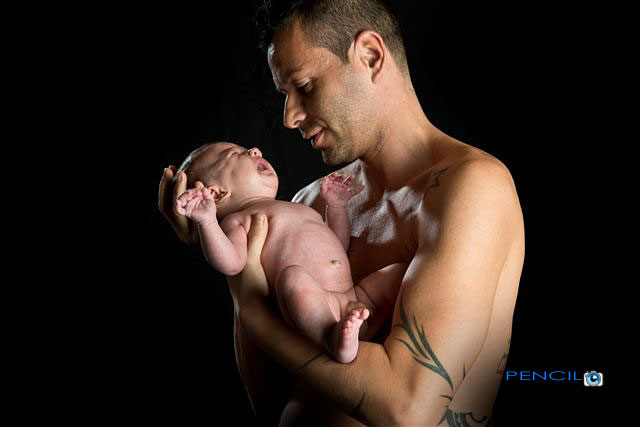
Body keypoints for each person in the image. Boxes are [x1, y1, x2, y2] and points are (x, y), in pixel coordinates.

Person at [158, 0, 524, 425]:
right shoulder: (309, 203)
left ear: (370, 56)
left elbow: (407, 411)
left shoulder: (468, 188)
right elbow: (270, 403)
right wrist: (217, 237)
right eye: (285, 95)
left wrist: (255, 311)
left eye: (305, 86)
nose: (290, 117)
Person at [173, 141, 406, 363]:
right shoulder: (238, 220)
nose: (254, 150)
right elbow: (232, 263)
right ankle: (331, 337)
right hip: (315, 310)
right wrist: (208, 223)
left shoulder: (298, 207)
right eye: (235, 154)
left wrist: (336, 207)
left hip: (355, 297)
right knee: (291, 278)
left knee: (398, 273)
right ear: (217, 194)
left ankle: (381, 324)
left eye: (248, 149)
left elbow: (338, 244)